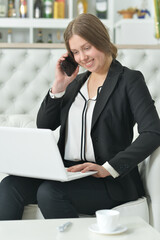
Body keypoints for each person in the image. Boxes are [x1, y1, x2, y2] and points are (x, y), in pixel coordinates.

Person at [0, 13, 160, 220]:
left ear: (102, 40)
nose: (82, 57)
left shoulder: (129, 80)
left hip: (106, 178)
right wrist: (59, 86)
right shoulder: (76, 83)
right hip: (68, 172)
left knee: (50, 192)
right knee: (9, 186)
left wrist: (108, 168)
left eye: (87, 48)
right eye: (75, 52)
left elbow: (153, 131)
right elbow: (45, 124)